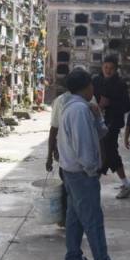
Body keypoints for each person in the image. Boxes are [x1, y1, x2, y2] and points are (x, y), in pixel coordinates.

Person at [57, 67, 130, 260]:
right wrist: (92, 171)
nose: (94, 88)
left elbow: (101, 132)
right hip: (81, 174)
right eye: (92, 85)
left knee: (75, 217)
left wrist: (98, 118)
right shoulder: (78, 110)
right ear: (86, 87)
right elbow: (84, 147)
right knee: (93, 219)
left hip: (71, 172)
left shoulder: (76, 106)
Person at [91, 54, 130, 192]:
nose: (108, 70)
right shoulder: (96, 81)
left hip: (112, 123)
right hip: (95, 122)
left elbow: (126, 106)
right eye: (105, 67)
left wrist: (110, 103)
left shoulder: (120, 84)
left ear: (116, 69)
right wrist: (97, 106)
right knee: (104, 151)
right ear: (102, 67)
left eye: (111, 68)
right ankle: (126, 184)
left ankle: (95, 183)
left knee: (108, 151)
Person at [46, 88, 71, 226]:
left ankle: (70, 217)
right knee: (66, 185)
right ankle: (65, 217)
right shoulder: (60, 101)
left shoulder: (89, 99)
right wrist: (49, 155)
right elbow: (54, 129)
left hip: (79, 156)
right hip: (64, 153)